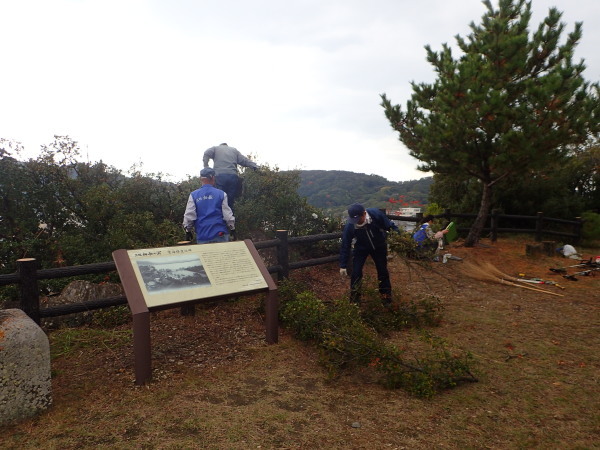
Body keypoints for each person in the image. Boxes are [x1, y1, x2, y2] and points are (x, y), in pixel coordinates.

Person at [339, 203, 399, 305]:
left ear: (364, 214)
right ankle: (355, 302)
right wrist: (343, 265)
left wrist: (399, 240)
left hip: (379, 246)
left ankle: (386, 299)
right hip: (361, 248)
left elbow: (390, 226)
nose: (356, 221)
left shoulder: (376, 214)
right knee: (356, 273)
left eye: (358, 218)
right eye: (354, 220)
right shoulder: (350, 225)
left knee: (382, 271)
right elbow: (345, 244)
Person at [182, 167, 235, 244]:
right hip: (220, 233)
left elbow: (189, 216)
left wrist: (188, 231)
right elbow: (227, 215)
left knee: (206, 256)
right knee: (223, 256)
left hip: (202, 235)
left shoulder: (193, 195)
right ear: (213, 177)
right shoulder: (221, 194)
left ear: (200, 179)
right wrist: (232, 228)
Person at [202, 143, 258, 213]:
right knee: (230, 201)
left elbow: (206, 153)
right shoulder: (234, 150)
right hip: (232, 176)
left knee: (219, 198)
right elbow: (244, 160)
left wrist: (206, 167)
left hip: (220, 176)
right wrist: (254, 166)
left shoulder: (215, 148)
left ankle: (219, 217)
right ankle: (230, 218)